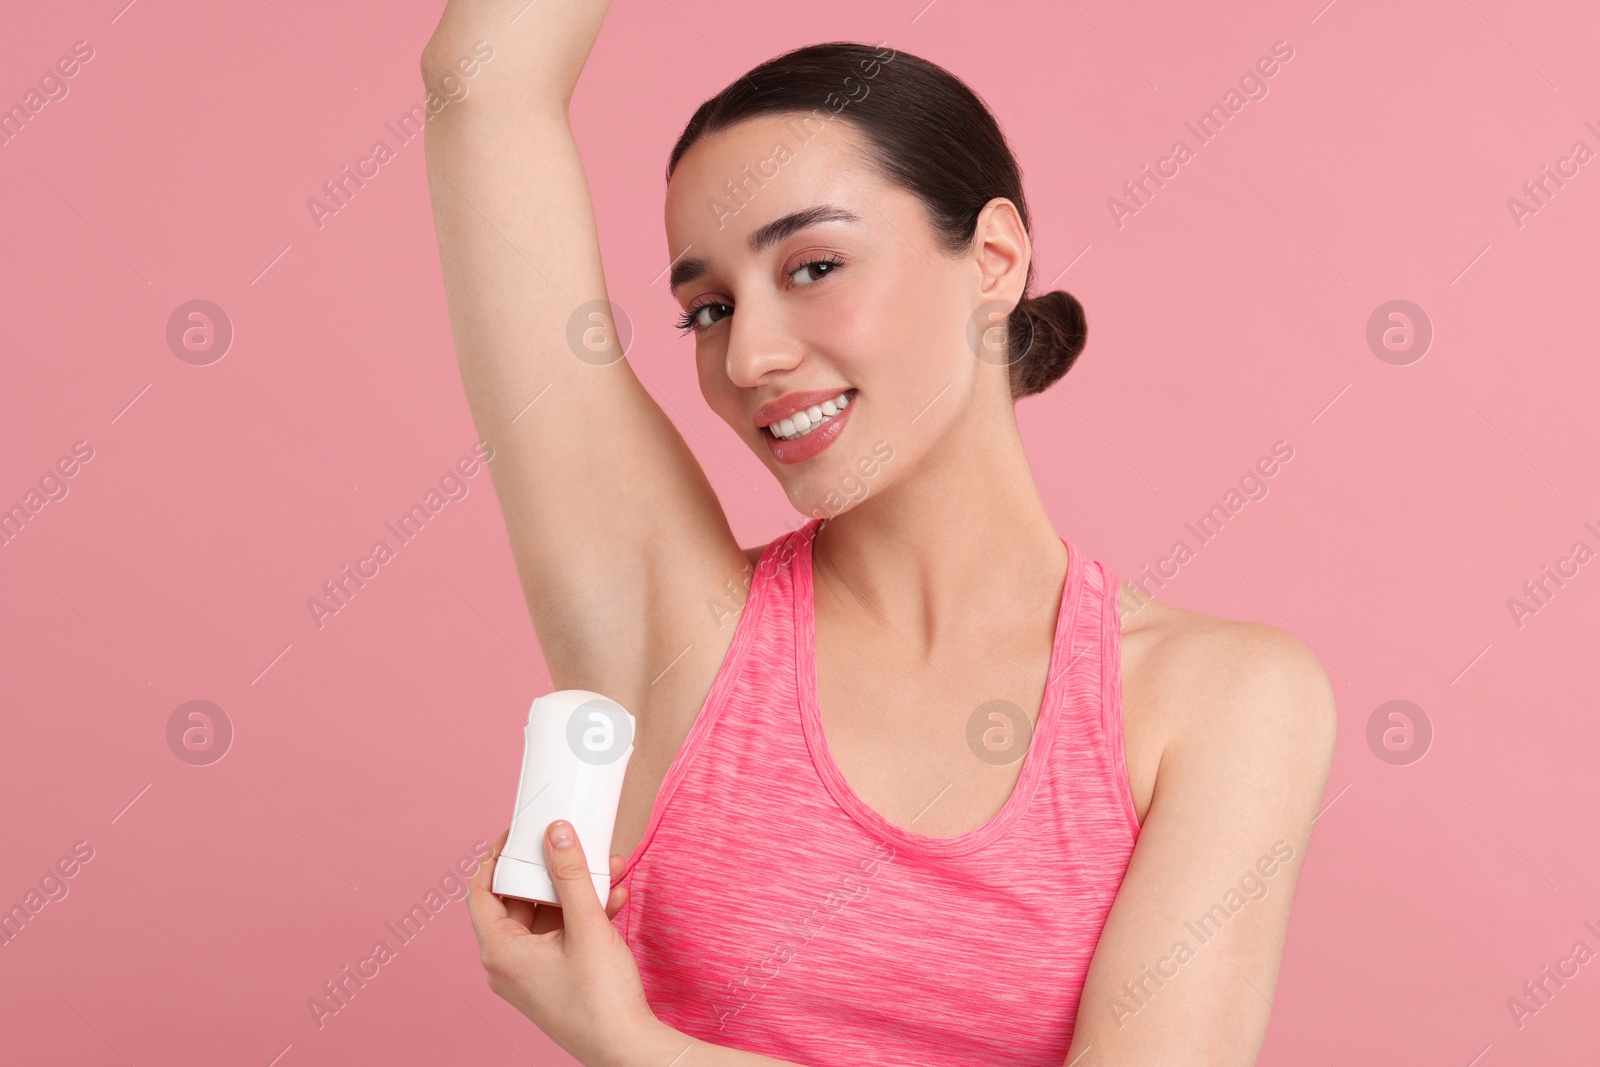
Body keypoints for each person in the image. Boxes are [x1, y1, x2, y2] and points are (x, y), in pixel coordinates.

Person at [421, 3, 1336, 1064]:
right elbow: (483, 86)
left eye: (812, 266)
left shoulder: (1222, 697)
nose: (749, 354)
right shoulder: (677, 636)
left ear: (992, 258)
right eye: (708, 308)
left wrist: (636, 1046)